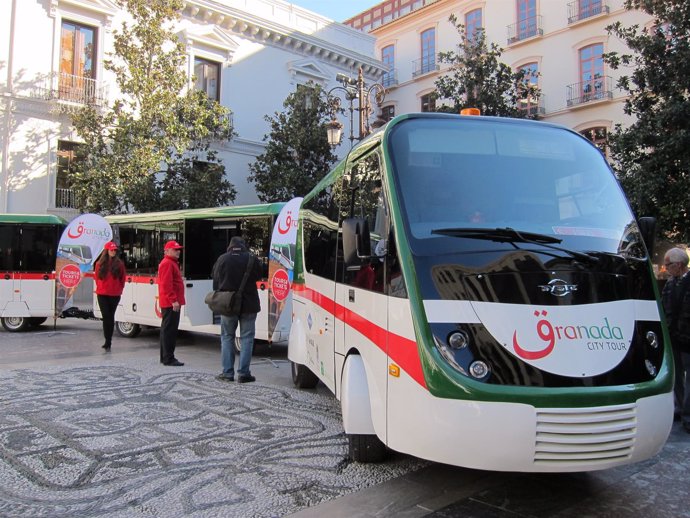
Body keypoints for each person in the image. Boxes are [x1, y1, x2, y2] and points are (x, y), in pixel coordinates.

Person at [212, 236, 262, 383]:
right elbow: (259, 275)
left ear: (230, 246)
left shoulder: (222, 259)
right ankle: (244, 373)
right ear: (243, 246)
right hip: (249, 304)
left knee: (227, 337)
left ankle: (227, 373)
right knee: (247, 338)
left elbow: (215, 279)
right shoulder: (252, 259)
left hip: (228, 304)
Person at [661, 247, 690, 433]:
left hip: (688, 338)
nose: (666, 268)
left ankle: (688, 414)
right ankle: (679, 409)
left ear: (678, 265)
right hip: (674, 338)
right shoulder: (670, 284)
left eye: (668, 265)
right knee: (676, 376)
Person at [158, 240, 186, 367]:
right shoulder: (168, 263)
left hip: (170, 302)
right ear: (167, 251)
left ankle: (165, 357)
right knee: (169, 330)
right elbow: (166, 284)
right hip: (171, 303)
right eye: (175, 249)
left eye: (178, 249)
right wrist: (173, 300)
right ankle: (168, 358)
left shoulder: (171, 263)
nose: (178, 251)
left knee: (167, 330)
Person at [95, 241, 126, 351]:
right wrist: (100, 288)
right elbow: (97, 277)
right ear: (106, 251)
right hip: (102, 294)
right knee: (106, 316)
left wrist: (119, 289)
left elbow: (123, 278)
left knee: (110, 316)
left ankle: (109, 340)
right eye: (111, 250)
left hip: (114, 294)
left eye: (114, 250)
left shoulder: (119, 264)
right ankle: (107, 340)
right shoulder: (99, 264)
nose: (113, 252)